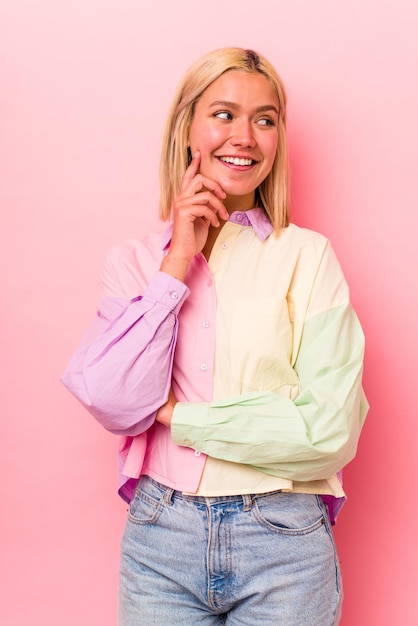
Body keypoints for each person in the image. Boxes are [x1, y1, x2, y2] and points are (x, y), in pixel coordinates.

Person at [61, 47, 368, 625]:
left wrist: (176, 416)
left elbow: (328, 431)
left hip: (283, 542)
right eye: (224, 114)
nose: (245, 136)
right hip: (161, 541)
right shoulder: (133, 264)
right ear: (187, 129)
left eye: (265, 118)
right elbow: (115, 401)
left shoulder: (307, 257)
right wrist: (177, 260)